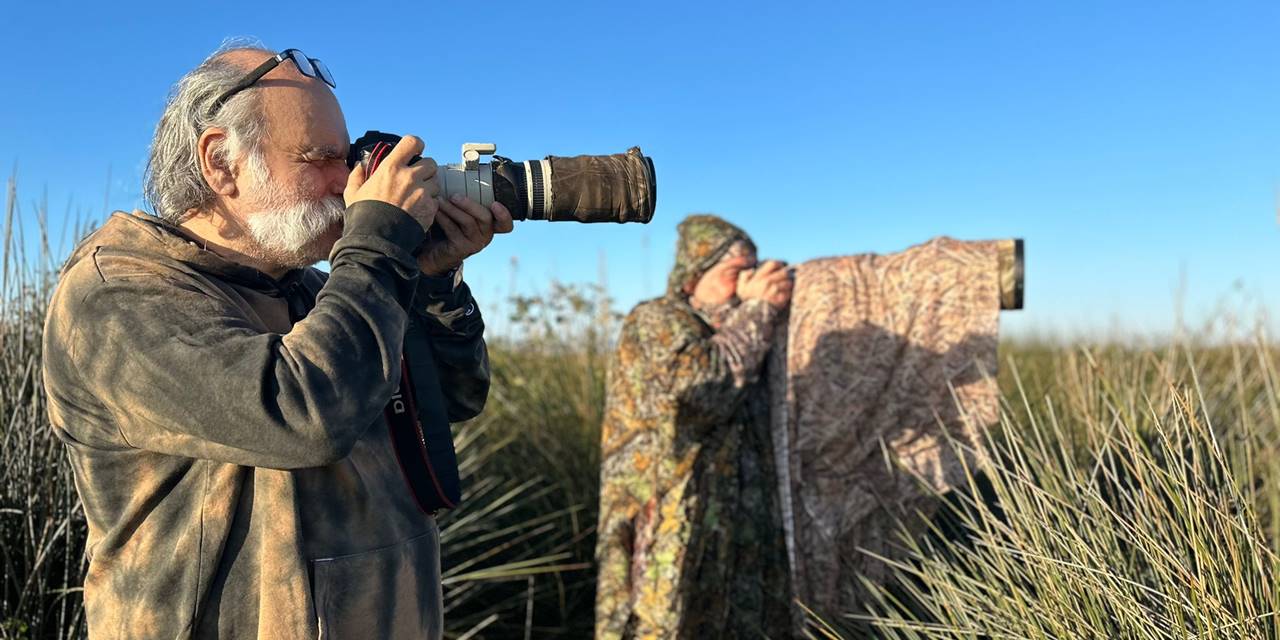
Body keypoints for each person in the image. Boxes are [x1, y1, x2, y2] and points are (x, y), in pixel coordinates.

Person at [40, 43, 511, 639]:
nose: (347, 183)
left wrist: (431, 279)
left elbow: (450, 399)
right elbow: (301, 413)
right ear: (221, 162)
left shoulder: (320, 291)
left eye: (348, 160)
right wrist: (378, 246)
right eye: (320, 158)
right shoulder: (115, 297)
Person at [595, 214, 794, 639]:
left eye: (752, 272)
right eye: (734, 273)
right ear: (692, 277)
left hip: (737, 542)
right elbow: (700, 389)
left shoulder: (749, 334)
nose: (745, 286)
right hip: (668, 538)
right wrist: (759, 308)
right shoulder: (656, 319)